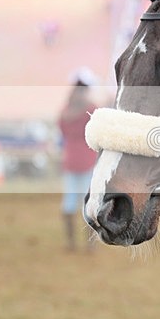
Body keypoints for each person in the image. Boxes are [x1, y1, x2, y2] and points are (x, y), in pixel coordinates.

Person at [58, 67, 98, 251]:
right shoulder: (90, 109)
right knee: (89, 203)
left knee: (69, 203)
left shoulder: (67, 109)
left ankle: (70, 243)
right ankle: (90, 244)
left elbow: (62, 129)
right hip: (88, 159)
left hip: (70, 159)